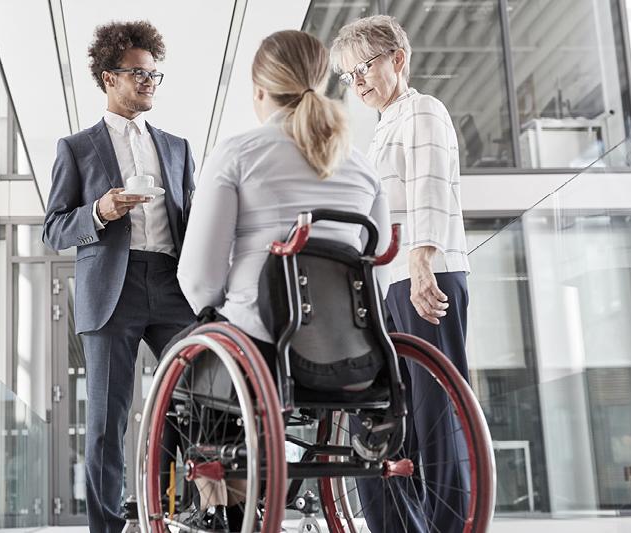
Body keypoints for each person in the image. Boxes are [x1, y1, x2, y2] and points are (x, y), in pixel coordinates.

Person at [176, 29, 390, 530]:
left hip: (261, 342)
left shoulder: (237, 154)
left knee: (190, 370)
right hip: (351, 350)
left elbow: (200, 277)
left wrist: (211, 314)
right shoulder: (362, 167)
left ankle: (220, 509)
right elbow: (374, 254)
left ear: (259, 91)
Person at [42, 20, 196, 533]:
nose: (149, 82)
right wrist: (101, 211)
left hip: (174, 287)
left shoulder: (177, 146)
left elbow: (192, 221)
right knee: (106, 424)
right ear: (110, 78)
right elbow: (53, 230)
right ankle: (108, 527)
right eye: (138, 73)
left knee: (195, 405)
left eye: (155, 74)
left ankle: (168, 515)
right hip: (113, 290)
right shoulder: (77, 147)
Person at [331, 14, 472, 533]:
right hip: (391, 286)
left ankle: (453, 526)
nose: (359, 81)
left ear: (398, 59)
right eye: (349, 75)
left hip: (427, 276)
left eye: (364, 66)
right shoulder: (382, 129)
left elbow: (429, 187)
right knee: (393, 420)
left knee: (439, 416)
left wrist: (420, 262)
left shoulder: (424, 111)